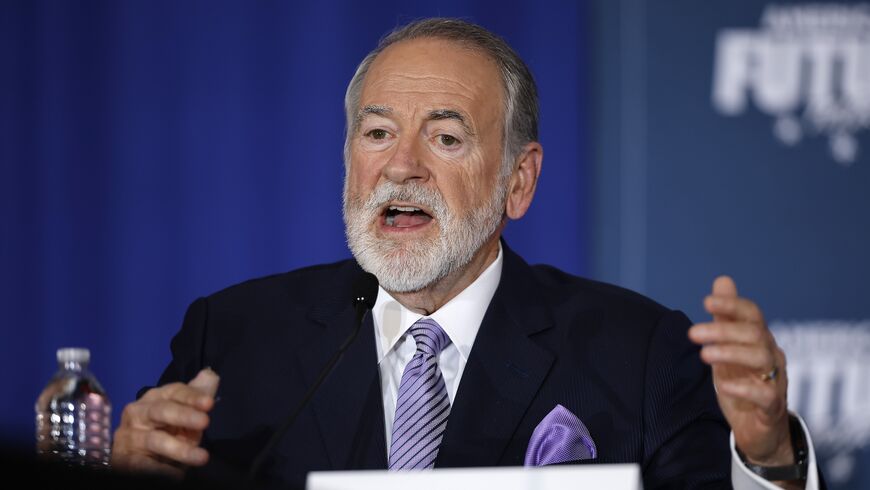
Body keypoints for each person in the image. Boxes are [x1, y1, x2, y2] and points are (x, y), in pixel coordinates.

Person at [111, 18, 821, 490]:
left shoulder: (638, 354)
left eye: (445, 139)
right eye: (377, 133)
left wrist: (766, 459)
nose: (401, 167)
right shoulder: (234, 339)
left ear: (519, 180)